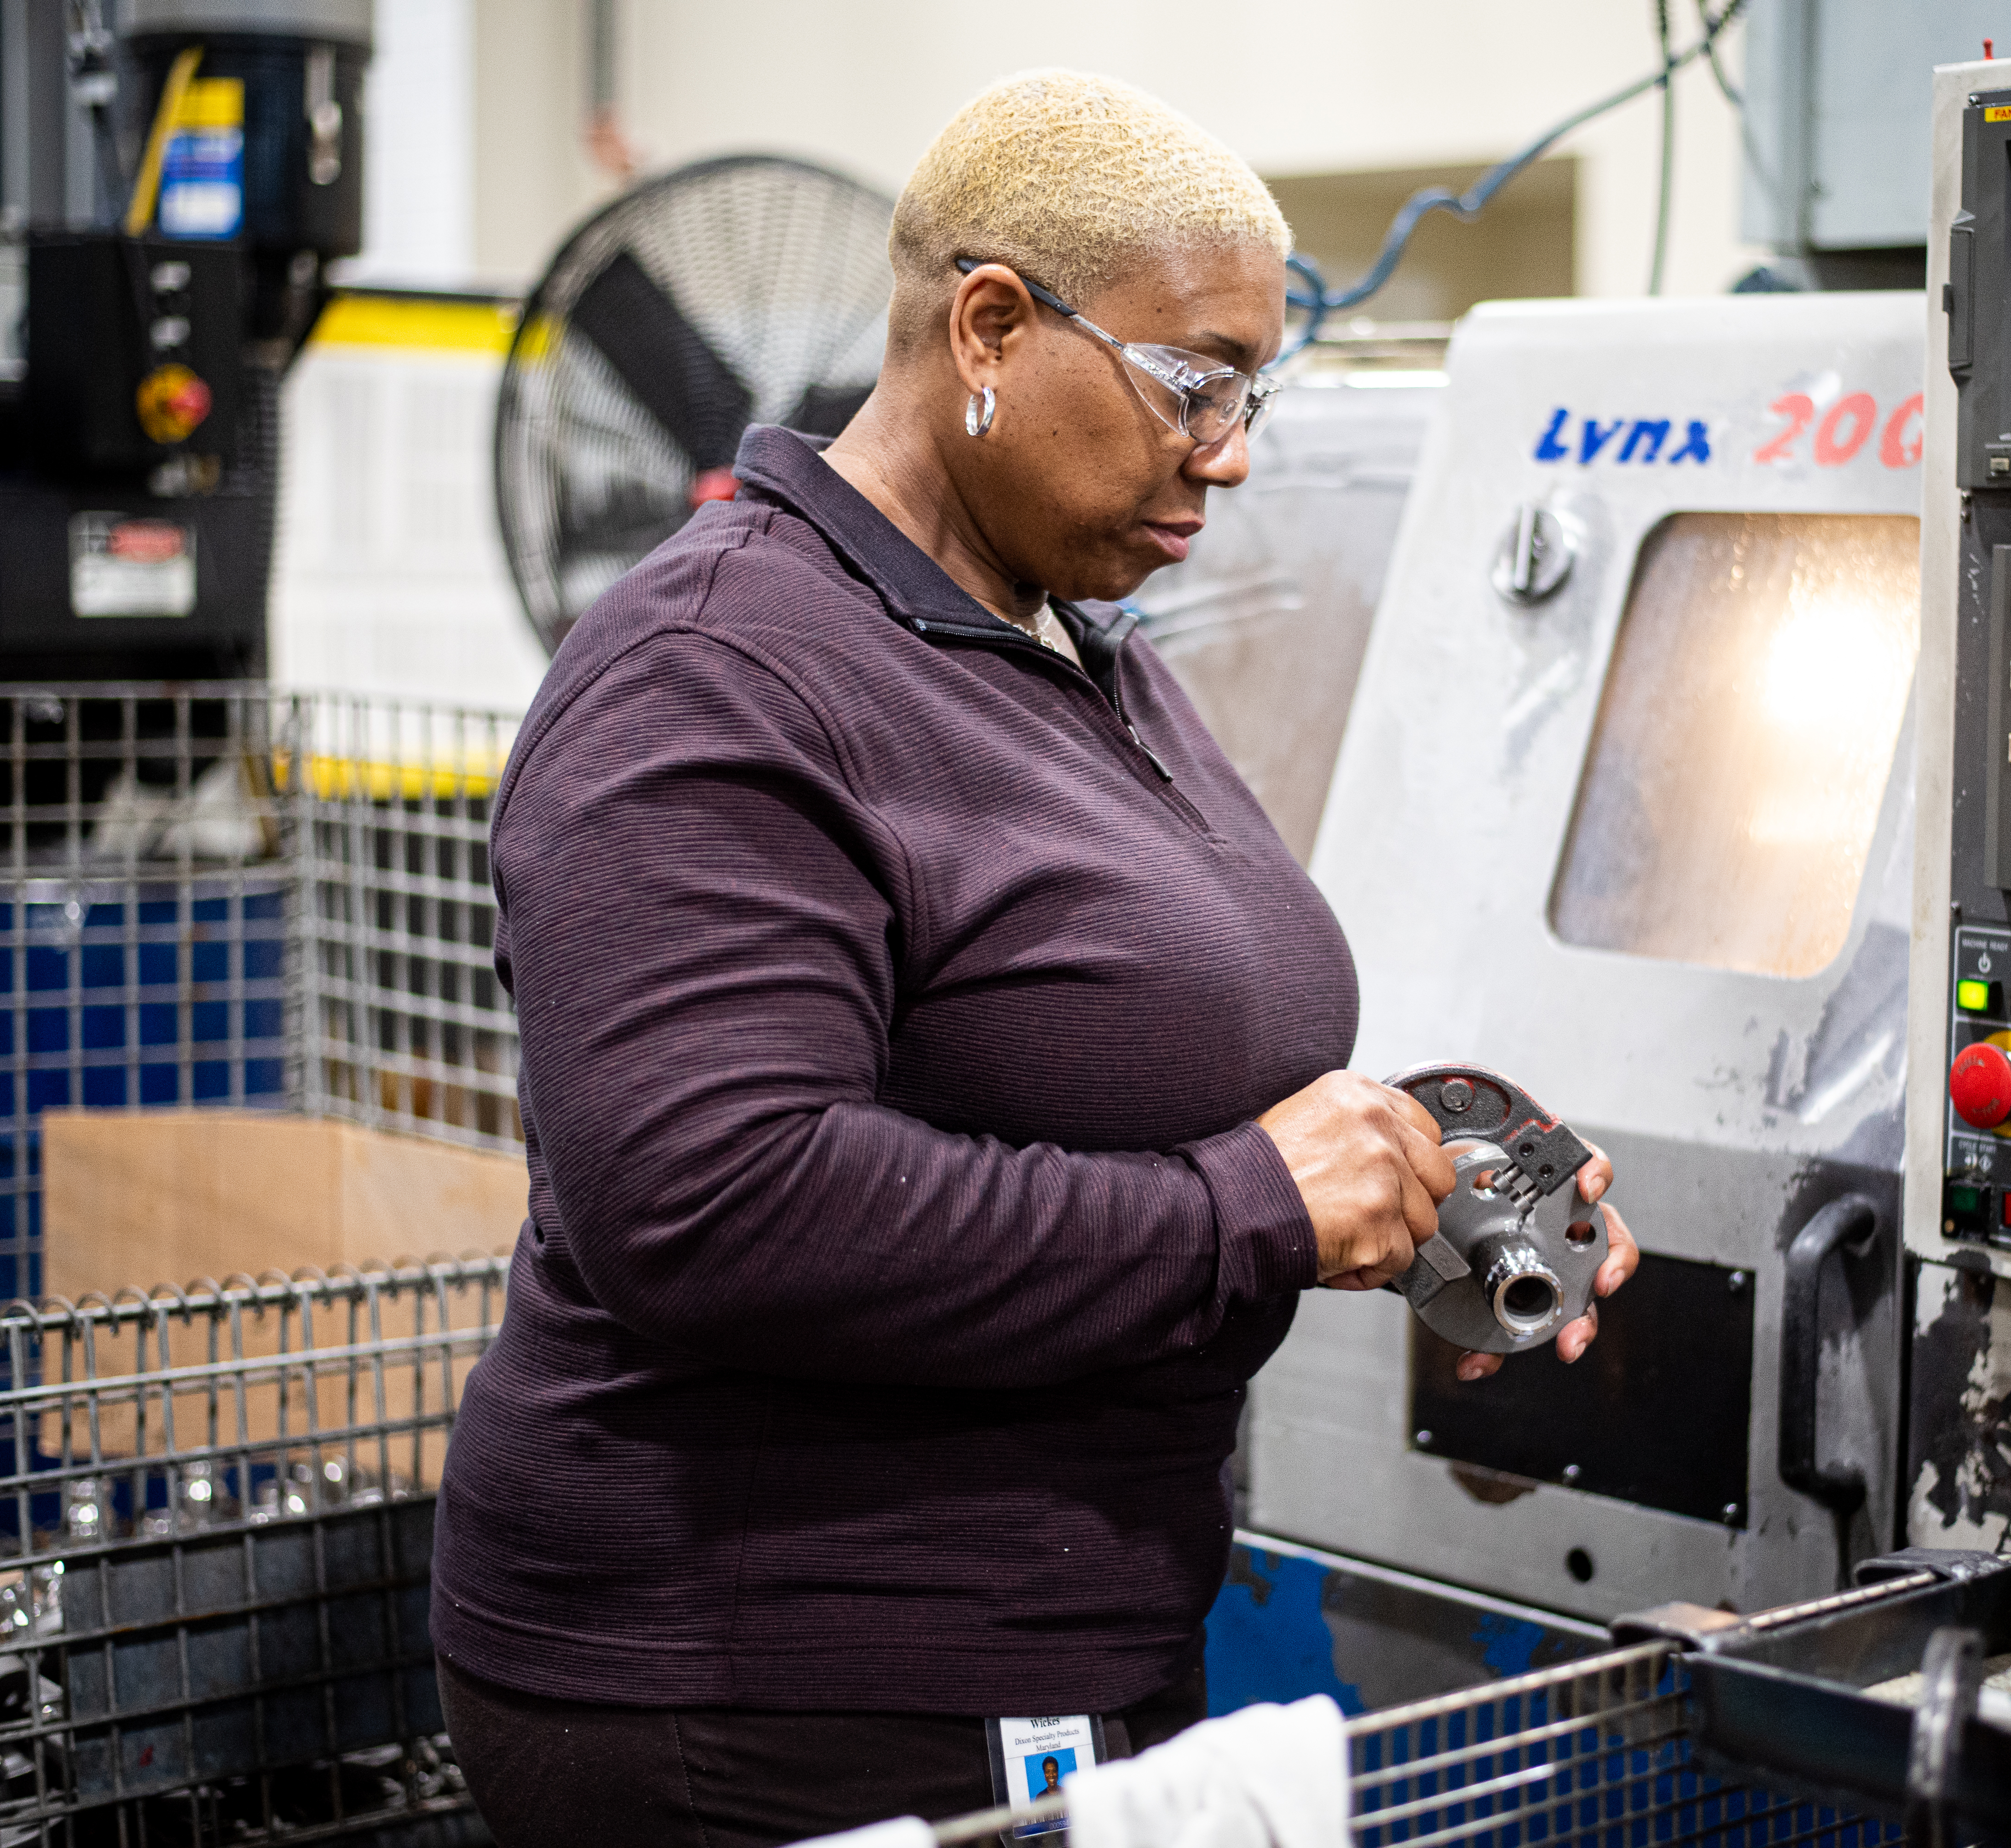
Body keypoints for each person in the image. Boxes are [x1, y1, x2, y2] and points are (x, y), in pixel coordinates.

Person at [428, 68, 1636, 1848]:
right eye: (1193, 382)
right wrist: (1254, 1210)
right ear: (990, 323)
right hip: (766, 1697)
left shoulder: (1078, 648)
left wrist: (1412, 1169)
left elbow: (1107, 1052)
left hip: (1069, 1644)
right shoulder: (713, 673)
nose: (1229, 449)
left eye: (1254, 391)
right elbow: (709, 1200)